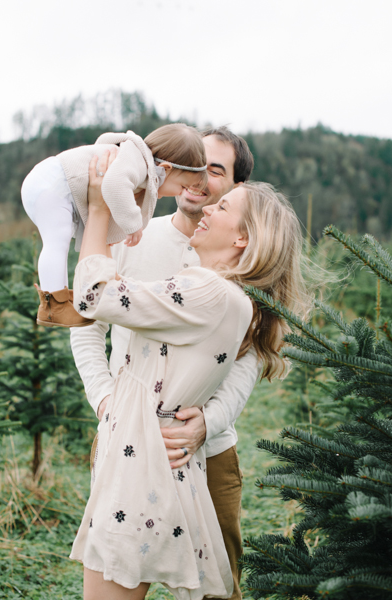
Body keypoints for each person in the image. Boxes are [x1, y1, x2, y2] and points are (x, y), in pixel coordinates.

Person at [68, 149, 310, 599]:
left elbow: (93, 297)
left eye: (222, 206)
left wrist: (100, 209)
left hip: (141, 467)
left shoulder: (208, 290)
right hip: (154, 459)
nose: (207, 206)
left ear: (242, 239)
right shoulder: (231, 297)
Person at [21, 124, 208, 328]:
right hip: (52, 186)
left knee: (58, 242)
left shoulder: (131, 157)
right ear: (165, 170)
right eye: (182, 186)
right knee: (57, 243)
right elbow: (114, 185)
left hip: (50, 185)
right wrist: (133, 224)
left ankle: (60, 297)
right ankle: (52, 307)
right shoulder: (136, 161)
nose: (181, 192)